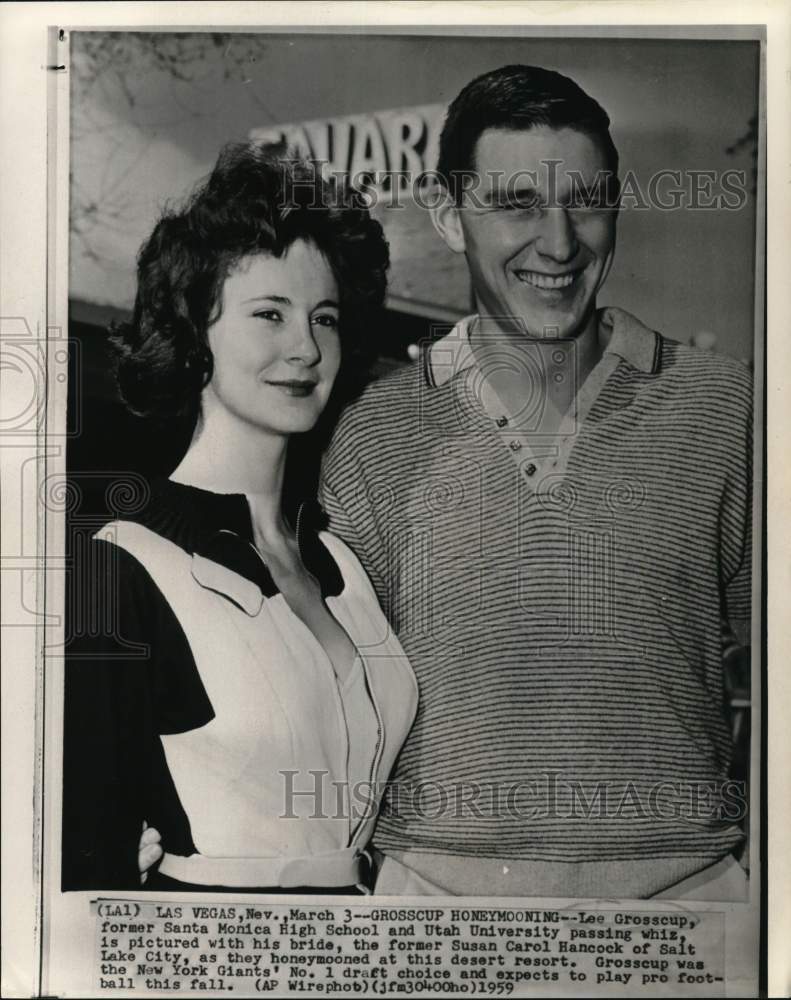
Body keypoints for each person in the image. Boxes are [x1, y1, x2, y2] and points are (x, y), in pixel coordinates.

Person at [319, 65, 753, 899]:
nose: (557, 243)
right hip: (436, 904)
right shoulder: (371, 432)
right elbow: (334, 700)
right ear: (448, 217)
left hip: (684, 902)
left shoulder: (723, 409)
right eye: (515, 204)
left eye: (583, 201)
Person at [61, 144, 418, 893]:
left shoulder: (341, 561)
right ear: (196, 337)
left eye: (325, 317)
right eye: (269, 314)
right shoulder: (118, 564)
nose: (306, 348)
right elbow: (80, 845)